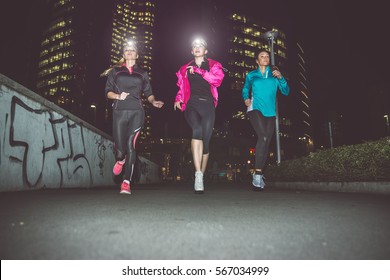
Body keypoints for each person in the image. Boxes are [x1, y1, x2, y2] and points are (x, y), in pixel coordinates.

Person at [102, 40, 164, 194]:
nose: (129, 51)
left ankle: (126, 182)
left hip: (137, 112)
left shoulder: (142, 73)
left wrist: (153, 101)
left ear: (137, 55)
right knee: (120, 151)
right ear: (123, 54)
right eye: (126, 49)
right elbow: (107, 92)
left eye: (132, 49)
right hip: (119, 112)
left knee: (131, 145)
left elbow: (148, 93)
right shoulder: (115, 72)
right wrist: (118, 96)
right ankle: (120, 159)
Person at [174, 38, 225, 193]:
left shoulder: (214, 65)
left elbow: (217, 80)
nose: (197, 48)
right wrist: (178, 99)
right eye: (194, 46)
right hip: (192, 104)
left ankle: (201, 174)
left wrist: (200, 71)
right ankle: (198, 175)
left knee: (206, 143)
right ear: (191, 51)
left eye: (200, 46)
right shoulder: (184, 68)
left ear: (206, 51)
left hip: (208, 105)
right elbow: (182, 87)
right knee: (196, 129)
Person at [242, 49, 290, 191]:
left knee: (266, 141)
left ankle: (259, 172)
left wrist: (281, 78)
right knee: (262, 136)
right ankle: (257, 174)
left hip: (270, 113)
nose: (265, 58)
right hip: (255, 108)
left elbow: (286, 92)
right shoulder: (252, 75)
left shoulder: (275, 75)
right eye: (262, 56)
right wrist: (246, 98)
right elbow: (245, 88)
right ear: (257, 61)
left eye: (267, 56)